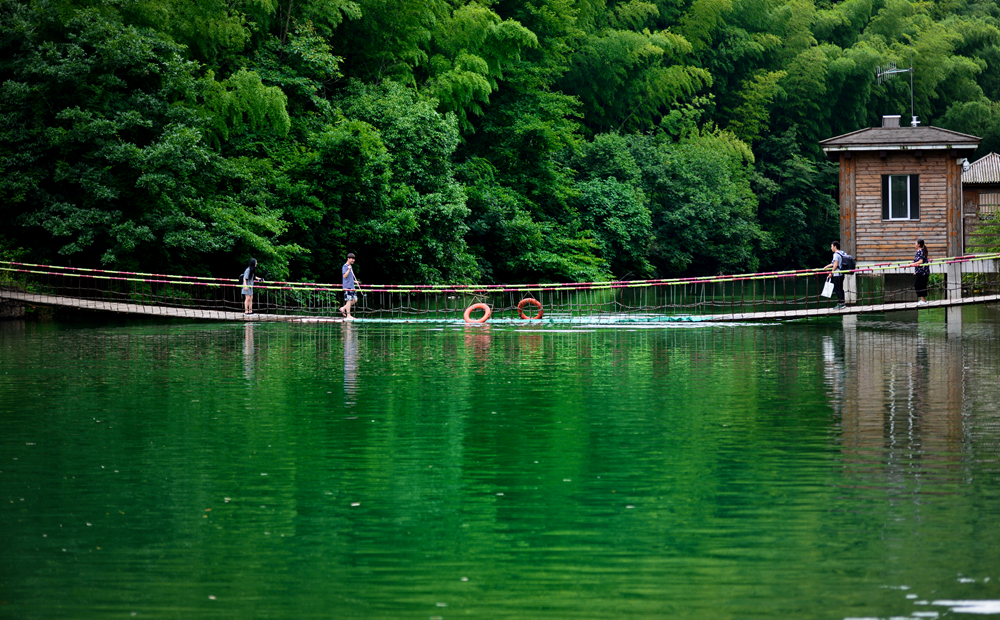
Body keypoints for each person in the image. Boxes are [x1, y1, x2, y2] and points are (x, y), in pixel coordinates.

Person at [904, 239, 930, 305]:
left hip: (922, 272)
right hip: (921, 271)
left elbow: (920, 261)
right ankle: (923, 300)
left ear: (919, 244)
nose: (915, 244)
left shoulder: (920, 251)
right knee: (920, 285)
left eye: (916, 243)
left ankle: (923, 301)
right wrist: (916, 271)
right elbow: (918, 261)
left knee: (919, 286)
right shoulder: (920, 251)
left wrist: (910, 265)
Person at [822, 241, 847, 308]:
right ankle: (842, 302)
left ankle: (841, 303)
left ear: (835, 246)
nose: (831, 248)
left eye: (831, 246)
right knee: (840, 288)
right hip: (842, 273)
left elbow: (835, 265)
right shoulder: (842, 252)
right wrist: (827, 266)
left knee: (837, 289)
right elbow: (835, 263)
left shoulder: (835, 254)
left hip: (837, 274)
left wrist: (831, 273)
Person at [338, 253, 360, 319]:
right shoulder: (345, 266)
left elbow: (349, 277)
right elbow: (344, 276)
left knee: (355, 300)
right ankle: (348, 315)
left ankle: (343, 308)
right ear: (348, 259)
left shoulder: (350, 266)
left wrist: (355, 281)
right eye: (352, 259)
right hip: (347, 286)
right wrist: (349, 270)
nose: (353, 260)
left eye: (354, 259)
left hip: (352, 286)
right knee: (349, 300)